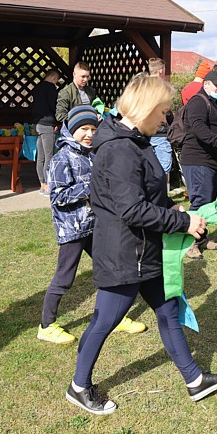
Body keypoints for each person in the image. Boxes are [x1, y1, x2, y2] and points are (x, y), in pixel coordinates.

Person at [67, 74, 217, 415]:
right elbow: (130, 209)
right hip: (124, 253)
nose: (165, 118)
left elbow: (143, 195)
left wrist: (171, 208)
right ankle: (78, 386)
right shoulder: (119, 149)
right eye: (162, 111)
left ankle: (194, 381)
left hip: (145, 250)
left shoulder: (136, 142)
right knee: (106, 319)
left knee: (168, 312)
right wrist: (183, 221)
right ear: (144, 109)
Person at [38, 106, 146, 345]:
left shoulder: (95, 153)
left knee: (110, 269)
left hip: (97, 224)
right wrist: (91, 186)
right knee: (64, 277)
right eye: (83, 129)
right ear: (72, 130)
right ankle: (46, 325)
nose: (88, 134)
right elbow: (57, 196)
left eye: (93, 129)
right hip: (73, 229)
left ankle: (114, 317)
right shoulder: (61, 158)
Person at [181, 70, 217, 259]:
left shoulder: (212, 102)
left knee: (208, 202)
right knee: (199, 201)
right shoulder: (198, 101)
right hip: (197, 160)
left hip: (209, 162)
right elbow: (198, 127)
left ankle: (202, 239)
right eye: (216, 85)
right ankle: (189, 243)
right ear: (206, 84)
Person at [31, 69, 61, 195]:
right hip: (48, 124)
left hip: (37, 124)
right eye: (57, 80)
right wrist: (57, 121)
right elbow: (54, 107)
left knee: (41, 157)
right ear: (54, 77)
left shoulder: (37, 88)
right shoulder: (51, 89)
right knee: (49, 156)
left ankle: (42, 184)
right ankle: (48, 184)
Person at [148, 58, 174, 181]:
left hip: (145, 131)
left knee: (148, 167)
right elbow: (166, 110)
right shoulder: (162, 87)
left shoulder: (142, 86)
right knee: (164, 168)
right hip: (160, 132)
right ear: (160, 71)